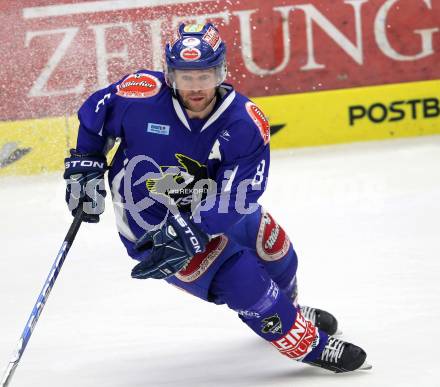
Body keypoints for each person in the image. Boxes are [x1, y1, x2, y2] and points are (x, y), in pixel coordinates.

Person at [64, 22, 370, 373]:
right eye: (185, 76)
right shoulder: (140, 94)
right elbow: (95, 119)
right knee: (241, 279)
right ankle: (303, 342)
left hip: (213, 210)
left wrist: (196, 226)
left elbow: (243, 192)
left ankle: (287, 309)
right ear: (169, 74)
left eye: (205, 75)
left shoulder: (244, 121)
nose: (196, 88)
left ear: (222, 71)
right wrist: (85, 163)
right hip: (151, 227)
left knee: (278, 252)